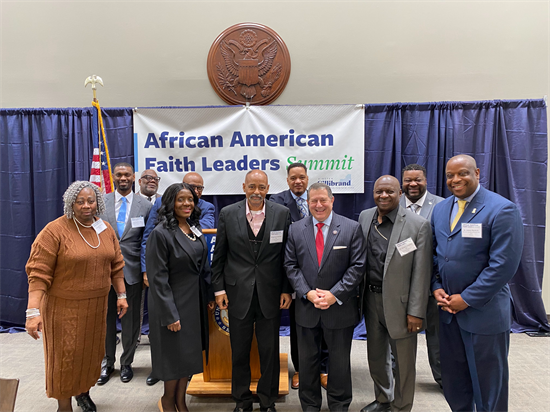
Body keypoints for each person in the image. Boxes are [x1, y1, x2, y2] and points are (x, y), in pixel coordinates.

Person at [431, 155, 524, 412]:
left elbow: (503, 266)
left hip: (484, 315)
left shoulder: (502, 209)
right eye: (450, 175)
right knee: (455, 382)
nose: (455, 179)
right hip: (448, 313)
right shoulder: (440, 209)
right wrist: (435, 286)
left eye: (462, 173)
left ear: (477, 173)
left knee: (488, 385)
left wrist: (467, 298)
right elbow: (437, 255)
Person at [25, 181, 127, 412]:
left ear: (98, 202)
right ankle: (64, 405)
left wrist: (121, 294)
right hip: (64, 308)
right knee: (65, 358)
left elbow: (116, 265)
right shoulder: (54, 231)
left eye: (90, 201)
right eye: (79, 202)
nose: (86, 206)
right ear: (70, 204)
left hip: (97, 306)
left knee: (90, 355)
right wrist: (33, 312)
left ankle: (83, 393)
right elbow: (38, 274)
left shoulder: (105, 229)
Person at [211, 170, 292, 412]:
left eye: (262, 187)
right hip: (237, 295)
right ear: (244, 187)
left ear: (268, 188)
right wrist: (219, 290)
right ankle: (242, 401)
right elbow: (220, 257)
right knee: (239, 352)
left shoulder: (282, 214)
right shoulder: (227, 214)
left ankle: (268, 401)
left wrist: (287, 289)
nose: (257, 192)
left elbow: (287, 257)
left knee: (270, 352)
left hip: (271, 294)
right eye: (252, 187)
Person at [284, 182, 366, 412]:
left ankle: (339, 405)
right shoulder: (295, 229)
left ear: (332, 201)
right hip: (306, 308)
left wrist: (334, 295)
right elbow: (290, 266)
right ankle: (310, 405)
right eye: (313, 201)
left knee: (339, 363)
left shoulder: (352, 228)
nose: (318, 205)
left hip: (339, 308)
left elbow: (358, 267)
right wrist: (308, 293)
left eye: (323, 200)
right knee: (307, 363)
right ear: (307, 203)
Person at [358, 175, 432, 412]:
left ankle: (401, 406)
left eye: (389, 191)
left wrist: (416, 311)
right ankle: (383, 399)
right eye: (379, 191)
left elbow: (421, 273)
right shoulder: (365, 217)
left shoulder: (417, 224)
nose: (384, 196)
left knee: (403, 361)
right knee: (376, 356)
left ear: (400, 193)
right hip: (370, 299)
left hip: (401, 305)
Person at [140, 171, 215, 386]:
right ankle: (169, 402)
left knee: (188, 358)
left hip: (193, 304)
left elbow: (204, 267)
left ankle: (181, 403)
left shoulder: (194, 229)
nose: (186, 203)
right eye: (180, 199)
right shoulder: (160, 233)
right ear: (170, 203)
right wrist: (170, 314)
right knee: (174, 359)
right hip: (172, 305)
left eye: (190, 199)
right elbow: (158, 278)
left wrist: (209, 294)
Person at [270, 163, 330, 390]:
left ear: (307, 179)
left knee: (324, 325)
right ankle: (302, 370)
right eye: (293, 178)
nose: (298, 181)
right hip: (295, 274)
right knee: (300, 329)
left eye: (302, 177)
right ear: (287, 180)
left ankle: (323, 369)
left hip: (324, 273)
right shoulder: (277, 201)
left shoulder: (317, 199)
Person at [98, 163, 152, 385]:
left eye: (126, 175)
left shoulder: (145, 206)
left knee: (130, 322)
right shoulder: (101, 202)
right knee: (106, 321)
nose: (122, 178)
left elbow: (148, 241)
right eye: (118, 175)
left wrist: (145, 269)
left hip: (132, 273)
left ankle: (127, 363)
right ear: (114, 177)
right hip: (104, 273)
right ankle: (107, 363)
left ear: (133, 178)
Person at [399, 163, 444, 388]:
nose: (413, 184)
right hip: (401, 286)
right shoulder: (391, 204)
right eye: (408, 180)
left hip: (433, 284)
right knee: (398, 337)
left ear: (426, 181)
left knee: (437, 337)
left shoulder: (443, 206)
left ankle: (443, 380)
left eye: (417, 179)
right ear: (402, 182)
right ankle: (398, 380)